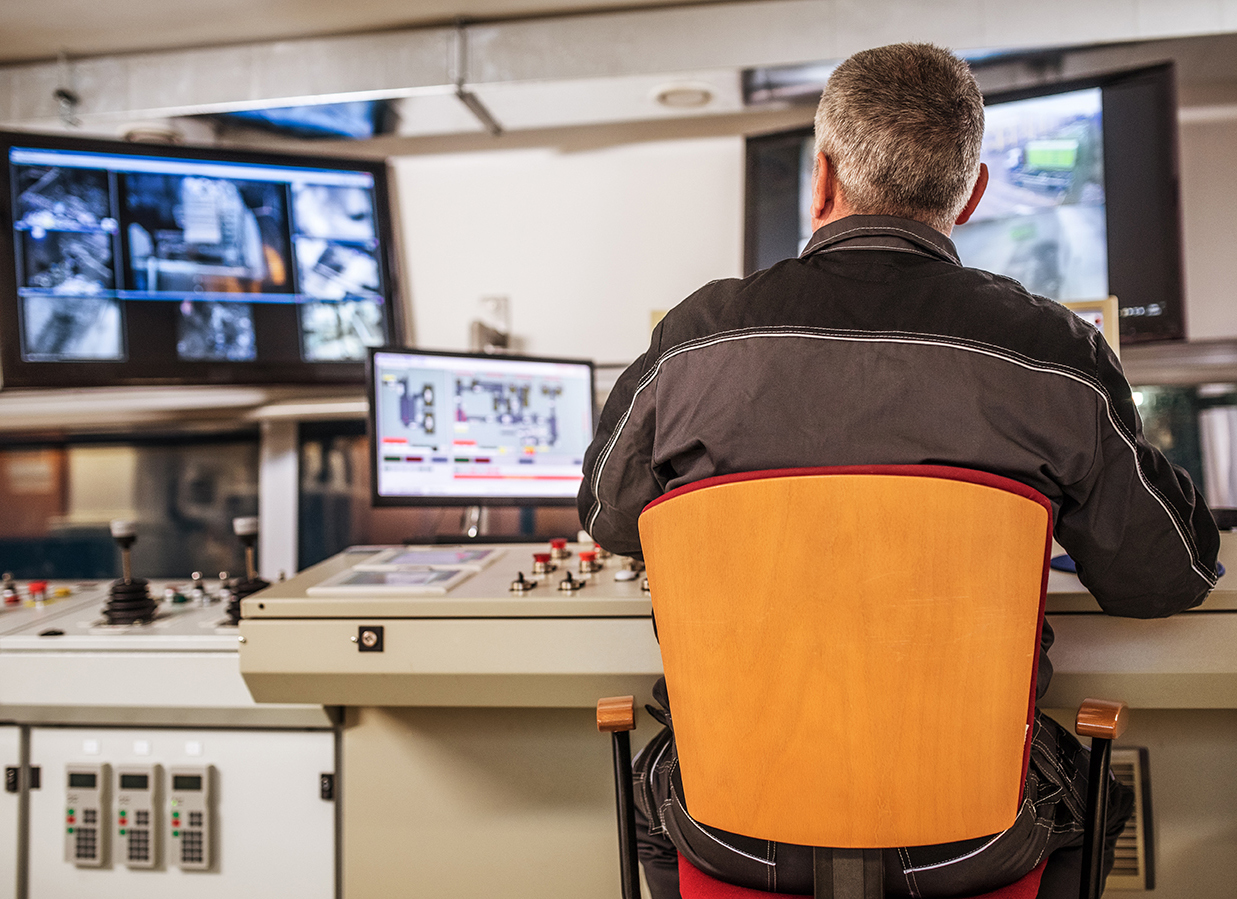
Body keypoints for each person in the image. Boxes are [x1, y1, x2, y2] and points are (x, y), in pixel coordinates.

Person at [577, 43, 1220, 898]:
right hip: (970, 840)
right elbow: (1163, 575)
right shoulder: (1054, 354)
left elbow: (609, 515)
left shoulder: (694, 340)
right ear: (972, 194)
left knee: (648, 789)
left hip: (730, 828)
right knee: (1098, 801)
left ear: (820, 179)